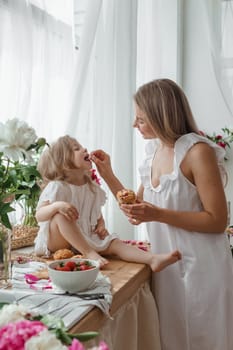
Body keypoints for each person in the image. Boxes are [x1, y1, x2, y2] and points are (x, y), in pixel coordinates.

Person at [90, 78, 233, 350]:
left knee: (205, 340)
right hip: (168, 268)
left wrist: (157, 214)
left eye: (140, 119)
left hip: (203, 268)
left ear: (161, 115)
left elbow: (217, 221)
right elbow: (137, 209)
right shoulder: (153, 152)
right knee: (174, 340)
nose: (135, 125)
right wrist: (107, 173)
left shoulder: (197, 151)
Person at [34, 135, 181, 271]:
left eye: (81, 146)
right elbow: (40, 215)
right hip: (58, 241)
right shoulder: (58, 186)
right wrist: (57, 206)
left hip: (84, 237)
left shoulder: (91, 186)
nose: (84, 149)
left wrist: (100, 224)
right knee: (60, 216)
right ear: (64, 162)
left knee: (114, 243)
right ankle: (89, 253)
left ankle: (152, 259)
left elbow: (94, 212)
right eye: (76, 148)